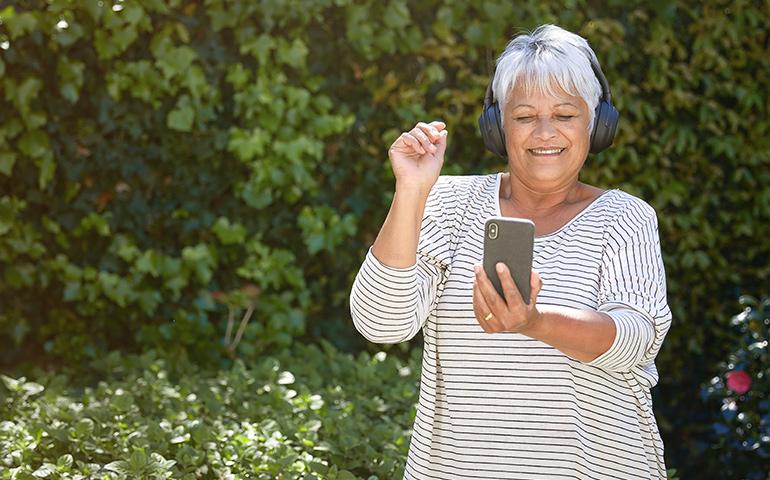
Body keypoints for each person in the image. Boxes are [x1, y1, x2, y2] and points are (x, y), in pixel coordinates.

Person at [349, 24, 672, 480]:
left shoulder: (625, 218)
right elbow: (382, 323)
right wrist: (411, 190)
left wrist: (534, 323)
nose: (544, 132)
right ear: (497, 127)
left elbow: (634, 341)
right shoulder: (446, 203)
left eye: (564, 114)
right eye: (524, 116)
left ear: (596, 124)